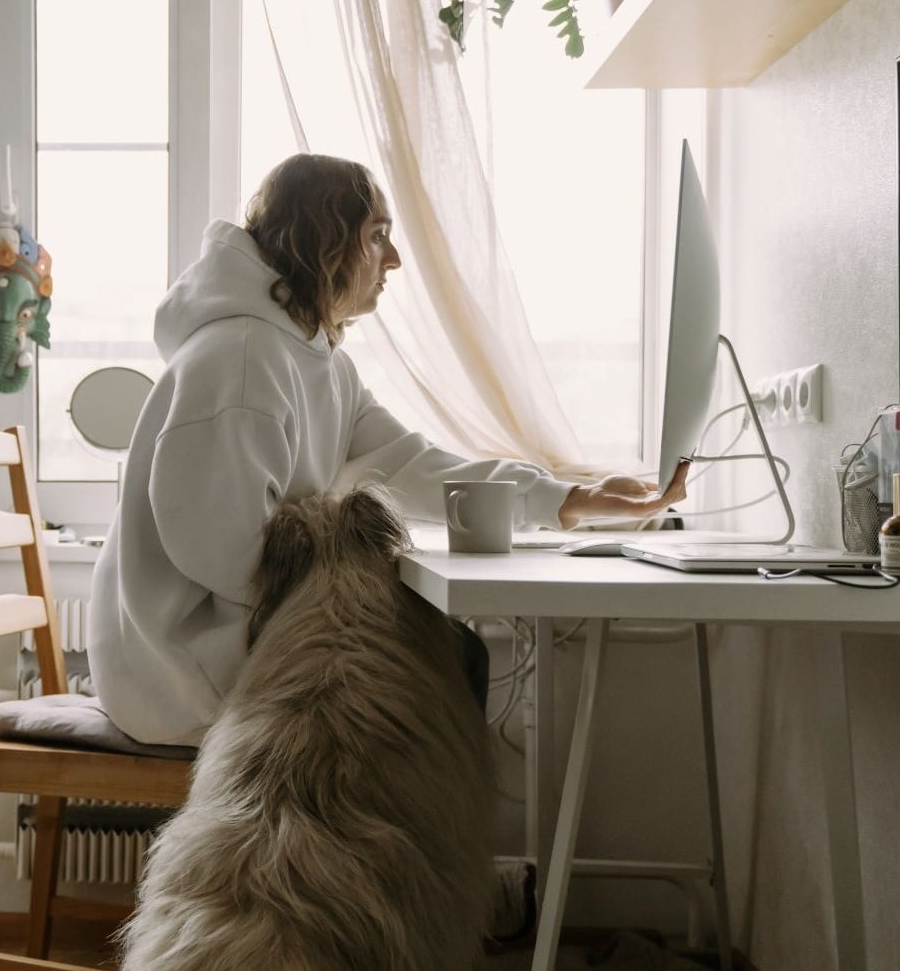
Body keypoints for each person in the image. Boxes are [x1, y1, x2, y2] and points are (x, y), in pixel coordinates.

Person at [89, 152, 687, 750]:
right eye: (377, 236)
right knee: (448, 661)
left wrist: (568, 499)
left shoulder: (315, 359)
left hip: (229, 637)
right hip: (175, 667)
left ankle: (407, 844)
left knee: (455, 655)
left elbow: (410, 464)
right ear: (325, 243)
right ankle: (397, 845)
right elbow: (220, 550)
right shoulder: (241, 359)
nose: (394, 259)